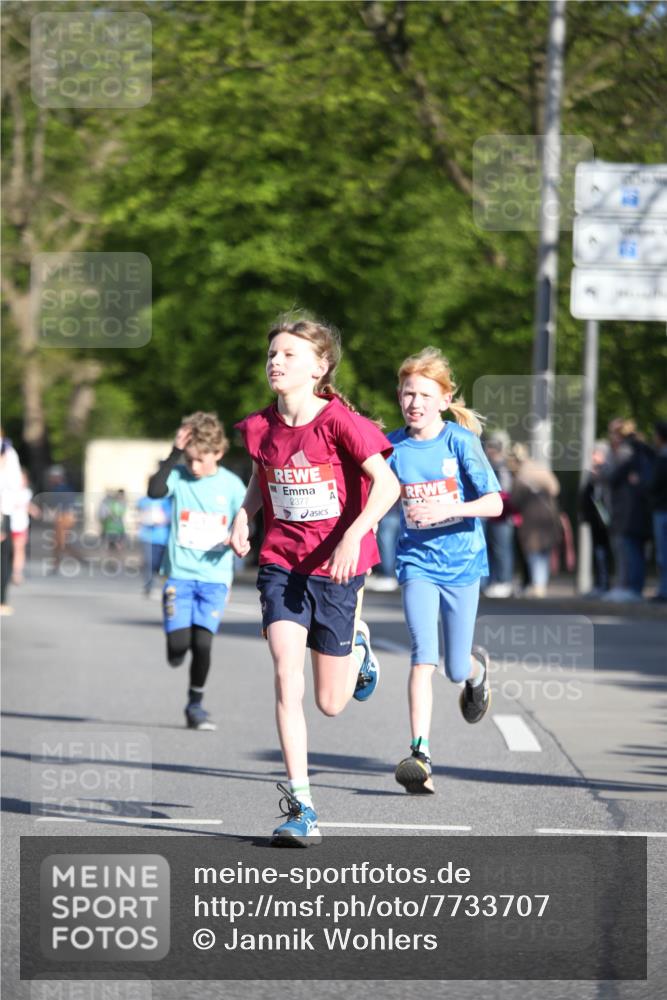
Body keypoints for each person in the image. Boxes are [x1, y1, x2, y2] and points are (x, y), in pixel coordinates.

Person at [230, 314, 399, 846]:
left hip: (337, 568)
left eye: (288, 355)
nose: (275, 362)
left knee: (331, 702)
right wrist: (243, 514)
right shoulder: (261, 426)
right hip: (281, 563)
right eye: (272, 354)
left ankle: (358, 647)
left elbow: (388, 486)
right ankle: (302, 806)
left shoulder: (341, 422)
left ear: (319, 367)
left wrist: (354, 535)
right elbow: (261, 477)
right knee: (286, 675)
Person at [385, 347, 502, 795]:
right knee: (422, 656)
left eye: (423, 394)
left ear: (443, 399)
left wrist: (452, 505)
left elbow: (494, 503)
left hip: (462, 564)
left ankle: (476, 674)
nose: (414, 402)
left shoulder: (459, 442)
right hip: (416, 563)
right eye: (407, 393)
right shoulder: (393, 446)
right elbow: (374, 498)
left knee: (454, 668)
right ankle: (420, 754)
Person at [148, 412, 246, 731]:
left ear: (218, 452)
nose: (194, 467)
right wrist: (175, 452)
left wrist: (240, 536)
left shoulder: (231, 485)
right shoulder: (179, 475)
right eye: (189, 459)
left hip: (215, 579)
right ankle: (174, 643)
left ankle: (195, 705)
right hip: (179, 575)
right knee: (179, 647)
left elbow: (246, 521)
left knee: (203, 644)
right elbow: (154, 490)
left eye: (200, 460)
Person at [509, 443, 561, 598]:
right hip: (548, 515)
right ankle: (541, 583)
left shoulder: (521, 475)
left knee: (533, 552)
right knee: (544, 552)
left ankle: (537, 585)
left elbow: (514, 500)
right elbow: (555, 489)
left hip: (530, 517)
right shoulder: (541, 469)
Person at [481, 430, 515, 598]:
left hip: (503, 516)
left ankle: (504, 581)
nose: (489, 450)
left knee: (502, 549)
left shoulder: (503, 467)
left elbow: (506, 491)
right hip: (491, 516)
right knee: (492, 549)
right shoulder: (489, 465)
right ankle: (494, 581)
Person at [578, 441, 613, 596]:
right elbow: (586, 496)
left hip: (606, 520)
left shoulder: (608, 471)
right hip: (595, 519)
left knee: (605, 552)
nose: (592, 457)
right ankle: (599, 583)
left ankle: (605, 584)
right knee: (597, 552)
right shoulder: (593, 473)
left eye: (595, 453)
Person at [0, 431, 22, 615]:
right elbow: (13, 484)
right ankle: (1, 601)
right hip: (2, 512)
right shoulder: (7, 451)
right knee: (3, 557)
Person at [136, 488, 172, 597]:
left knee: (160, 564)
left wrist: (164, 519)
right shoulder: (144, 500)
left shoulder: (168, 500)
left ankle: (166, 586)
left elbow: (171, 515)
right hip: (147, 536)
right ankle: (148, 586)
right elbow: (139, 513)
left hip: (163, 537)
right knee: (148, 562)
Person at [10, 468, 39, 585]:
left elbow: (27, 506)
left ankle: (17, 573)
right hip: (7, 525)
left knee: (19, 549)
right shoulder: (7, 490)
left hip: (20, 525)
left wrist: (34, 510)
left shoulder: (26, 492)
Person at [649, 420, 667, 603]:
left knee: (663, 555)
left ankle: (664, 590)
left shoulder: (661, 459)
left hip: (662, 510)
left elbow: (653, 485)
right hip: (661, 509)